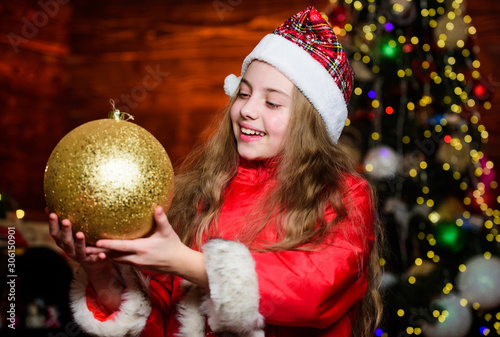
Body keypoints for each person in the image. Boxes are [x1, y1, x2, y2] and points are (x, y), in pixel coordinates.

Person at [48, 6, 383, 337]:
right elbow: (160, 326)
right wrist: (99, 270)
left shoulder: (344, 195)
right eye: (244, 93)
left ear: (311, 122)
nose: (247, 110)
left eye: (272, 103)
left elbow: (314, 288)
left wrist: (188, 264)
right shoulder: (201, 193)